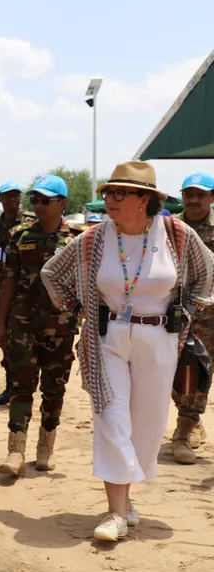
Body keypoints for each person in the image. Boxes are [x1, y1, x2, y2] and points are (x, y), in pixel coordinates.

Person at [42, 161, 214, 541]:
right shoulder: (93, 239)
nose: (111, 199)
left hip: (160, 340)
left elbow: (207, 273)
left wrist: (188, 310)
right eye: (108, 192)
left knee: (146, 426)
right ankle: (115, 513)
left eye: (120, 193)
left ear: (144, 200)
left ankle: (127, 496)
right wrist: (78, 308)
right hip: (108, 339)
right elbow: (52, 273)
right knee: (112, 416)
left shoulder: (176, 234)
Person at [0, 175, 81, 477]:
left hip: (61, 327)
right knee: (20, 386)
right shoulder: (20, 235)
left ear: (62, 203)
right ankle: (15, 449)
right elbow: (8, 280)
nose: (39, 205)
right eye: (36, 200)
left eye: (46, 200)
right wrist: (0, 323)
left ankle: (46, 446)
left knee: (54, 388)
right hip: (23, 324)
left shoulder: (77, 240)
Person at [171, 172, 214, 463]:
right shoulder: (170, 228)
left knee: (200, 374)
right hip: (181, 314)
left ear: (212, 197)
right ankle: (187, 427)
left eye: (200, 194)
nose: (194, 199)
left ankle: (188, 426)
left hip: (211, 315)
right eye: (188, 194)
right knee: (183, 373)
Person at [0, 181, 35, 406]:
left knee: (28, 341)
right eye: (8, 196)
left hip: (29, 292)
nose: (13, 199)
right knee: (5, 340)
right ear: (0, 199)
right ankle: (11, 387)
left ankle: (26, 388)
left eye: (16, 195)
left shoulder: (32, 223)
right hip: (3, 293)